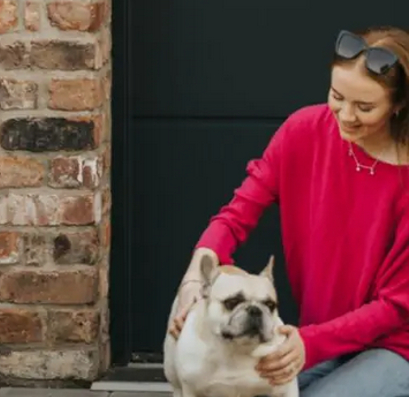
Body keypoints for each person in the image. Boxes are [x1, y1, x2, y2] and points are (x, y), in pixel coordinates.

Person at [168, 27, 409, 396]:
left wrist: (309, 343)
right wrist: (193, 279)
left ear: (398, 105)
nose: (345, 115)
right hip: (322, 335)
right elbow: (237, 214)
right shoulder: (304, 131)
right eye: (337, 96)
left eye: (364, 107)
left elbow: (395, 307)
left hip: (395, 345)